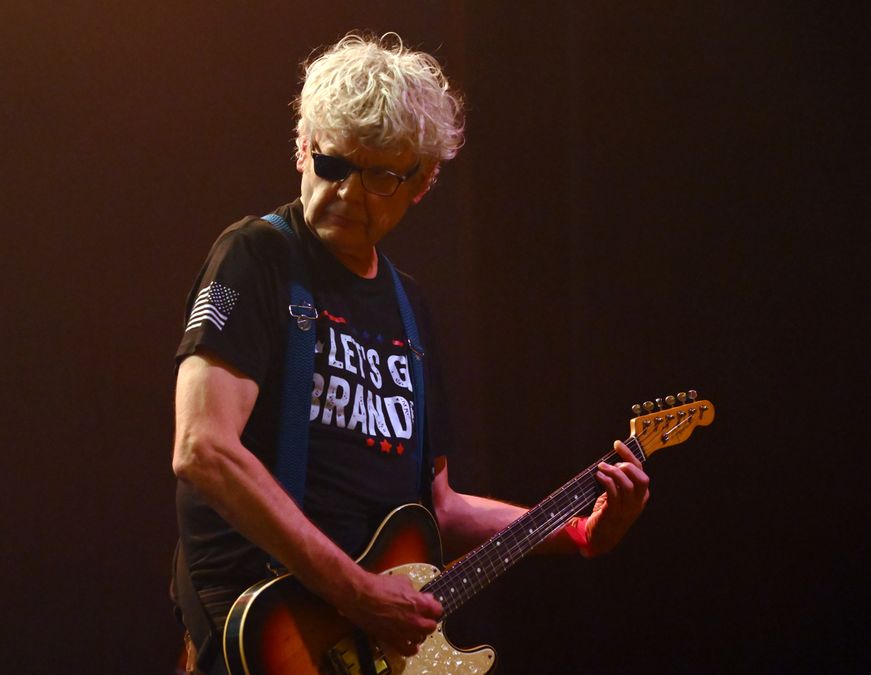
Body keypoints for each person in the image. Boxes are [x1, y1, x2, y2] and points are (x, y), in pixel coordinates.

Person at [171, 32, 650, 675]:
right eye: (333, 165)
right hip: (265, 633)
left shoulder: (410, 310)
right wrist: (356, 591)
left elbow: (440, 509)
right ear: (303, 148)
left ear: (422, 182)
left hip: (364, 646)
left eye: (378, 176)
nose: (345, 193)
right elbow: (203, 448)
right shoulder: (256, 257)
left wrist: (578, 532)